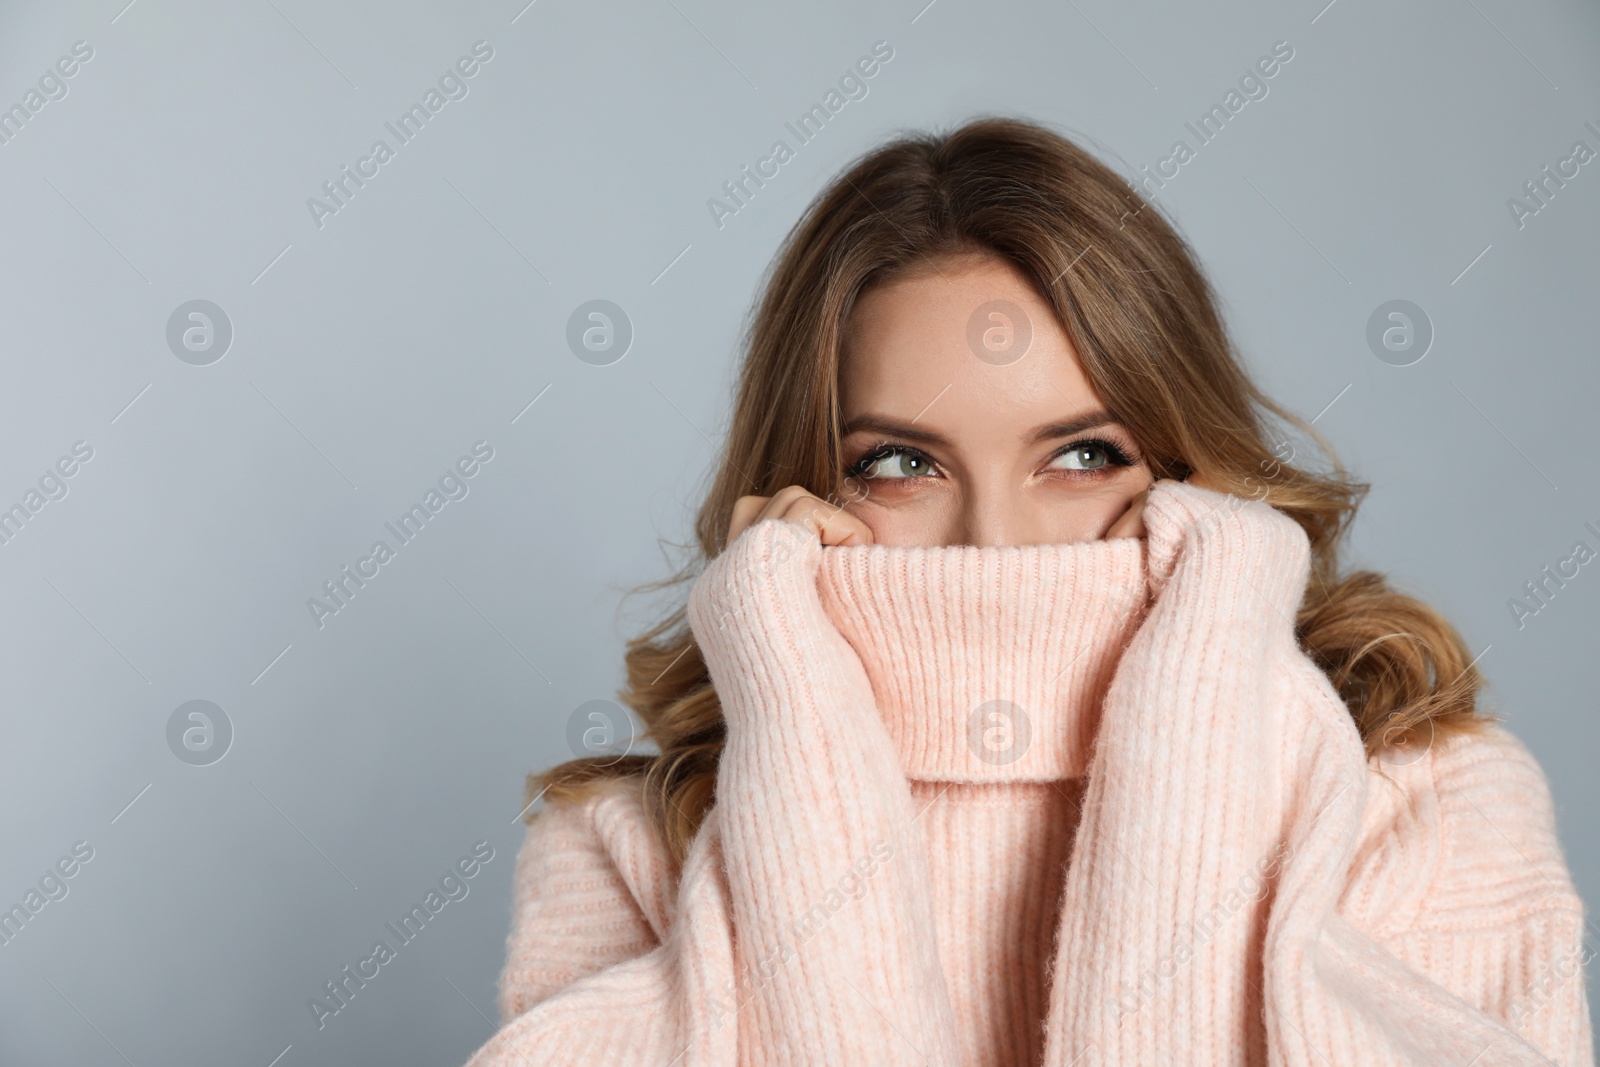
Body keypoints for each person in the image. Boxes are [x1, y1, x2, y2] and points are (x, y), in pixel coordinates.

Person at [462, 117, 1594, 1066]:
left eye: (1083, 453)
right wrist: (795, 727)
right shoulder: (627, 844)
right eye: (899, 463)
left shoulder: (1425, 802)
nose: (995, 544)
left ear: (1188, 467)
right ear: (800, 484)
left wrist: (1205, 681)